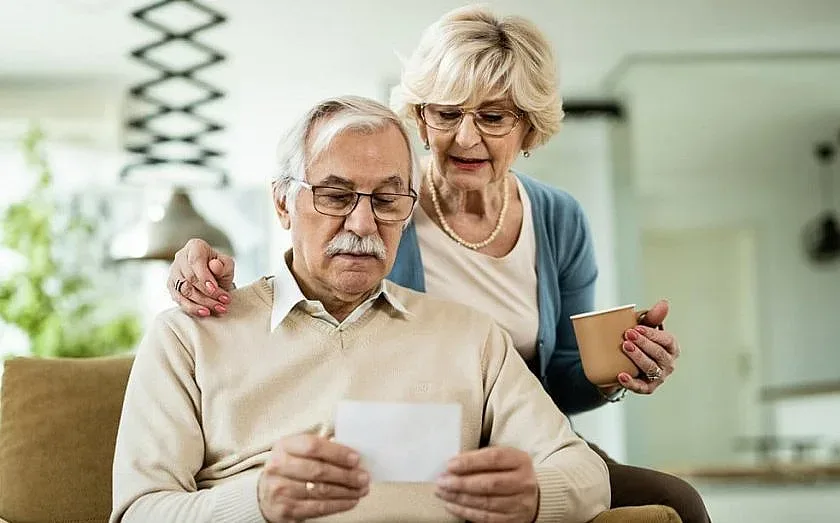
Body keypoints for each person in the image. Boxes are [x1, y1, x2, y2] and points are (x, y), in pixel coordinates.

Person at [164, 5, 710, 523]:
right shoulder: (383, 203)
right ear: (422, 119)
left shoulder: (558, 219)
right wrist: (199, 266)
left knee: (674, 499)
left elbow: (562, 382)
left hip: (510, 435)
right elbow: (309, 276)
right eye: (447, 114)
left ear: (529, 128)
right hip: (404, 435)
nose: (465, 137)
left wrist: (619, 367)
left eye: (493, 116)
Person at [110, 96, 610, 523]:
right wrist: (257, 502)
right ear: (283, 203)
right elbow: (139, 512)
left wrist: (538, 496)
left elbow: (585, 473)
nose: (364, 223)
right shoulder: (189, 336)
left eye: (388, 200)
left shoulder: (471, 337)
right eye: (335, 196)